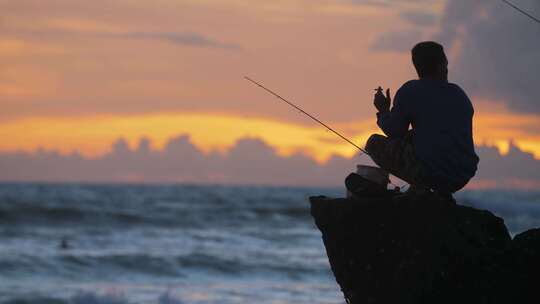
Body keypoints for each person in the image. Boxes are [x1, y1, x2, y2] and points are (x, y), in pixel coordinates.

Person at [365, 41, 479, 195]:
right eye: (445, 65)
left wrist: (383, 110)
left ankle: (421, 190)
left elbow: (394, 131)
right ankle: (422, 192)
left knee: (374, 143)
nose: (447, 69)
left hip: (432, 174)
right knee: (413, 136)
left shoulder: (411, 91)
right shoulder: (459, 94)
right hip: (462, 175)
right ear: (440, 66)